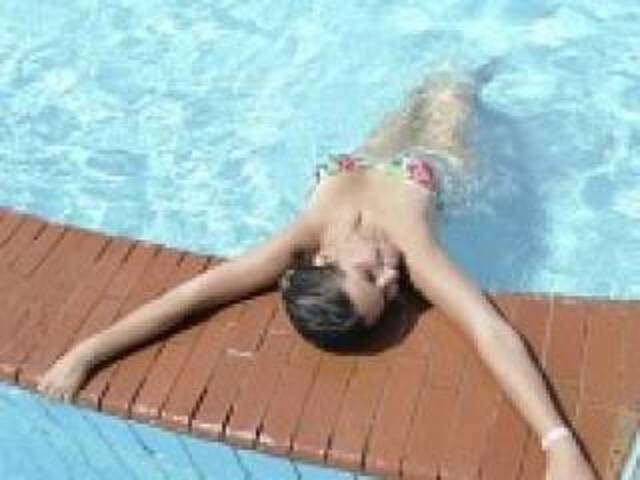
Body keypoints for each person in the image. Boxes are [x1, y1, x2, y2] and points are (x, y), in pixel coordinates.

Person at [38, 68, 597, 479]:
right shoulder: (410, 244)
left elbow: (191, 294)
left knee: (420, 89)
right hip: (443, 162)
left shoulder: (300, 239)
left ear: (323, 261)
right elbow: (488, 329)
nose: (392, 277)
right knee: (454, 86)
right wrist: (558, 442)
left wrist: (86, 352)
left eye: (369, 274)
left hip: (376, 151)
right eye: (388, 292)